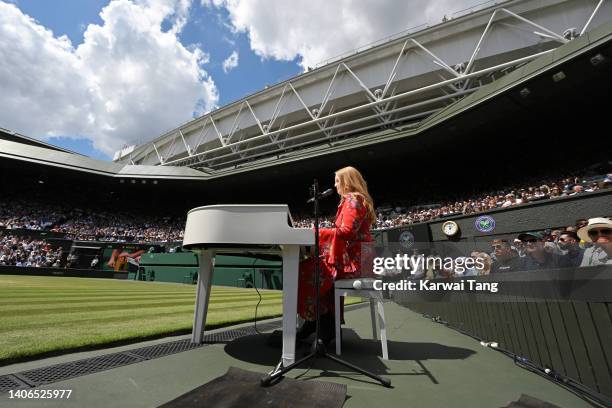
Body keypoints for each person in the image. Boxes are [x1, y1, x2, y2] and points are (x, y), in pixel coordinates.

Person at [297, 166, 375, 344]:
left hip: (355, 262)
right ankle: (320, 322)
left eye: (338, 181)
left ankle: (319, 322)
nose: (334, 184)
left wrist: (318, 231)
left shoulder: (353, 199)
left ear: (347, 182)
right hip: (354, 259)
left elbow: (346, 232)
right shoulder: (353, 200)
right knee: (315, 268)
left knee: (307, 270)